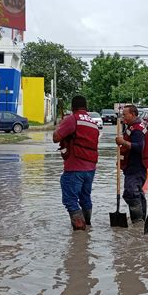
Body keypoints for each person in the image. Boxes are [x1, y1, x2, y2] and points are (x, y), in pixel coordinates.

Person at [53, 95, 99, 231]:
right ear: (86, 107)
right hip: (90, 168)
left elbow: (56, 138)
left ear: (73, 107)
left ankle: (80, 233)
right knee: (85, 197)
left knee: (70, 200)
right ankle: (88, 227)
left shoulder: (72, 119)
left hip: (75, 167)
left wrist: (59, 127)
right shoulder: (93, 122)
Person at [115, 105, 148, 224]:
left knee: (131, 193)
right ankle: (141, 221)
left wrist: (123, 142)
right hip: (132, 166)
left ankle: (138, 222)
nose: (123, 117)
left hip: (136, 167)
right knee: (137, 193)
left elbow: (138, 147)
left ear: (132, 114)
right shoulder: (132, 126)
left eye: (125, 114)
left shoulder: (137, 128)